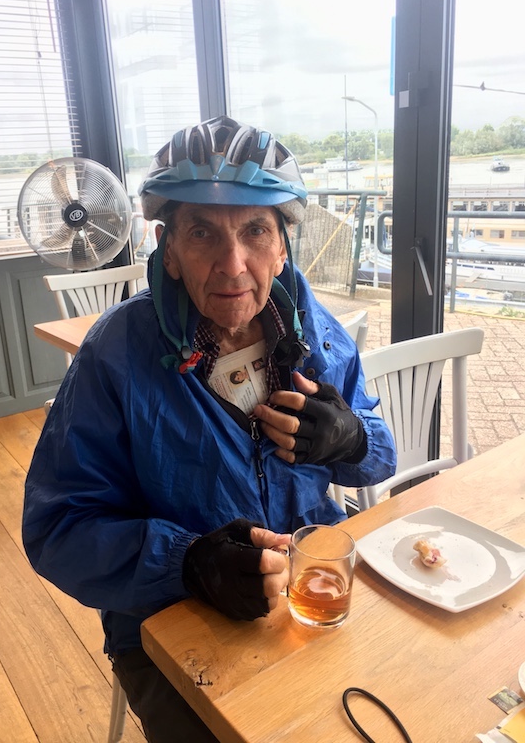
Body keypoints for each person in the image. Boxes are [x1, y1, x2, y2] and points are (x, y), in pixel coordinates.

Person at [22, 115, 396, 743]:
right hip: (168, 620)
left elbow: (380, 456)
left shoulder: (313, 331)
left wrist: (352, 438)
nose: (233, 264)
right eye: (202, 233)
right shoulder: (116, 353)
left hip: (308, 589)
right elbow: (56, 529)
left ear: (283, 245)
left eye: (255, 231)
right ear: (168, 249)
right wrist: (188, 563)